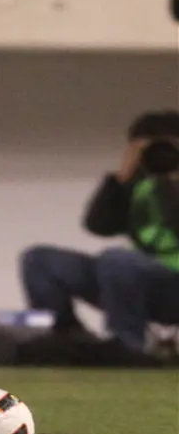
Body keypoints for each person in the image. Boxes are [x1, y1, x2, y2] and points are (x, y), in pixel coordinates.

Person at [20, 110, 179, 358]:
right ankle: (66, 338)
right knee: (39, 259)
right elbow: (98, 225)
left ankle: (128, 346)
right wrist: (119, 179)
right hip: (132, 280)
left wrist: (172, 184)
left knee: (117, 258)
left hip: (171, 286)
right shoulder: (139, 184)